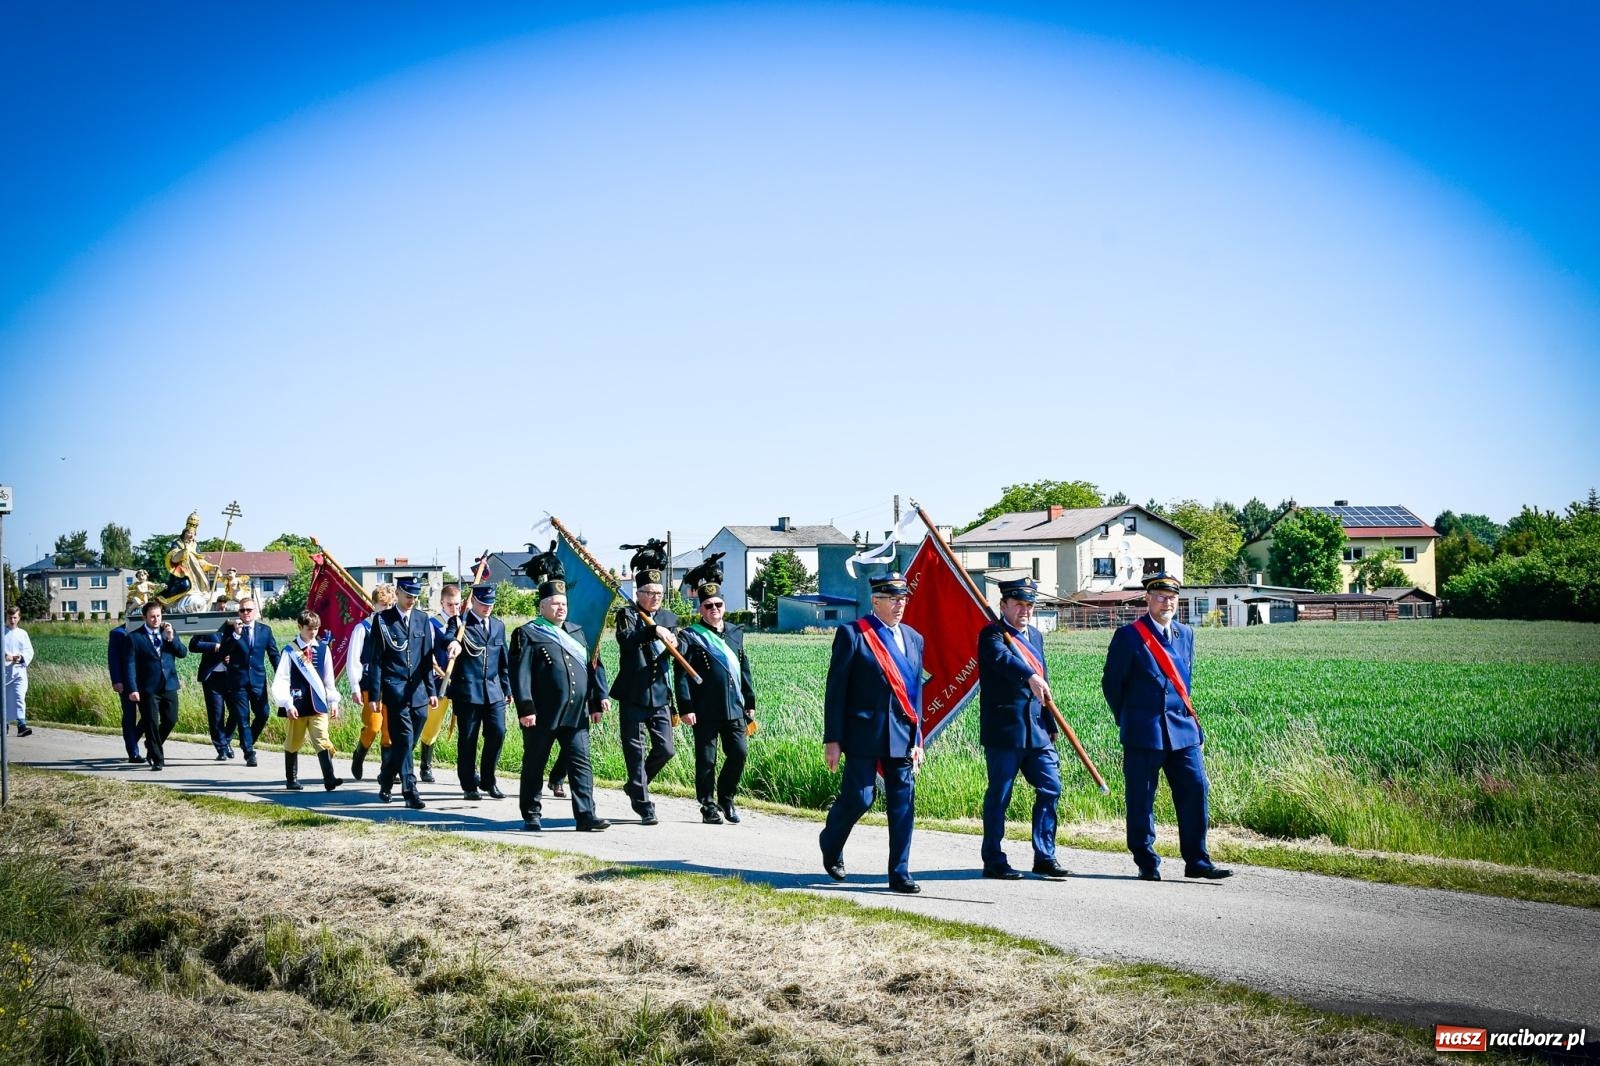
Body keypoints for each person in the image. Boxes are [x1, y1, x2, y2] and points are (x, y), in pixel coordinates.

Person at [1102, 571, 1232, 882]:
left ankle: (1197, 860)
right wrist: (1130, 718)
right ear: (1148, 599)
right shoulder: (1129, 636)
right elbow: (1111, 685)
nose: (1167, 602)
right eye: (1160, 596)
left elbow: (1185, 681)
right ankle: (1147, 861)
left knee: (1196, 790)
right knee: (1141, 798)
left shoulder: (1186, 634)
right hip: (1143, 731)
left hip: (1182, 730)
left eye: (1172, 597)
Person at [818, 572, 925, 894]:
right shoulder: (853, 634)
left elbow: (915, 694)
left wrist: (918, 739)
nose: (899, 604)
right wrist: (833, 739)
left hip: (902, 736)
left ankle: (899, 873)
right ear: (875, 600)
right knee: (861, 798)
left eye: (903, 598)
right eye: (892, 598)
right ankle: (831, 841)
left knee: (903, 803)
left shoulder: (914, 638)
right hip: (863, 733)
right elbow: (836, 691)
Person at [977, 578, 1070, 881]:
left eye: (1029, 605)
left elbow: (1044, 684)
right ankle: (993, 858)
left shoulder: (1036, 637)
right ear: (1003, 605)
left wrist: (1051, 722)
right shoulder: (991, 634)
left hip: (1038, 731)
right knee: (1000, 796)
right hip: (1005, 731)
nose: (1024, 610)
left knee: (1051, 786)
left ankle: (1045, 855)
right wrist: (1029, 675)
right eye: (1018, 604)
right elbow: (1003, 661)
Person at [511, 578, 611, 832]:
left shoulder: (577, 631)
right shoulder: (528, 633)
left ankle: (586, 815)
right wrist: (525, 708)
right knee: (535, 763)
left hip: (576, 714)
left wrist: (597, 699)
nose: (561, 608)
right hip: (543, 714)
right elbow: (520, 674)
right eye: (555, 604)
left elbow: (593, 667)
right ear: (542, 606)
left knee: (581, 764)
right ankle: (532, 813)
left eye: (564, 604)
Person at [672, 577, 755, 824]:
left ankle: (726, 798)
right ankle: (708, 805)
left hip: (734, 708)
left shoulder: (734, 632)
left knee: (739, 753)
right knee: (707, 760)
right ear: (701, 609)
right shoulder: (690, 636)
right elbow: (681, 673)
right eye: (708, 606)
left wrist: (750, 701)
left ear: (724, 606)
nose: (714, 609)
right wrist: (685, 707)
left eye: (718, 604)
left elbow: (744, 668)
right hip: (704, 709)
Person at [361, 576, 437, 809]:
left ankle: (386, 776)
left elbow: (426, 658)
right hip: (395, 690)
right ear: (398, 594)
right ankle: (409, 789)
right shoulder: (383, 620)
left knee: (408, 740)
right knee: (403, 737)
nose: (412, 600)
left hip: (419, 691)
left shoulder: (423, 619)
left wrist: (431, 689)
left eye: (415, 596)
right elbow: (375, 661)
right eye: (408, 595)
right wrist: (375, 695)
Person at [612, 567, 680, 826]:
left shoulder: (668, 616)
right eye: (650, 592)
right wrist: (653, 631)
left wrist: (675, 640)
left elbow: (679, 647)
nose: (655, 597)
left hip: (660, 693)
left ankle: (635, 785)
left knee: (666, 749)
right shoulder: (628, 615)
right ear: (638, 593)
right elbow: (626, 640)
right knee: (635, 751)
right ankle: (643, 804)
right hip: (633, 693)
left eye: (659, 593)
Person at [444, 584, 510, 801]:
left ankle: (488, 780)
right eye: (483, 603)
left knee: (498, 733)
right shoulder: (460, 622)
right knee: (468, 739)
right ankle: (469, 784)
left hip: (493, 692)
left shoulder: (498, 626)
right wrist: (453, 642)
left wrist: (507, 688)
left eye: (491, 604)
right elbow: (448, 637)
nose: (487, 608)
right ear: (473, 601)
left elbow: (503, 661)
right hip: (468, 692)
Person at [271, 609, 344, 792]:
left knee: (322, 739)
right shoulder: (290, 650)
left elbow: (328, 678)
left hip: (318, 704)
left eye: (316, 628)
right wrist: (287, 703)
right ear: (300, 627)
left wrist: (333, 701)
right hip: (297, 703)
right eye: (309, 628)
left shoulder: (323, 649)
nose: (313, 632)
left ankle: (329, 778)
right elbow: (282, 678)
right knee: (294, 741)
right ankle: (292, 779)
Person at [124, 600, 187, 770]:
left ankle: (151, 745)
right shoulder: (134, 638)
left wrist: (171, 639)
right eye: (152, 617)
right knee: (151, 722)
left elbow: (182, 653)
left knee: (171, 719)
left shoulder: (169, 632)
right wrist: (133, 689)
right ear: (144, 617)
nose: (156, 620)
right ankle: (157, 759)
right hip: (148, 688)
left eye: (158, 616)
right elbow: (129, 666)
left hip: (169, 684)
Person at [218, 598, 280, 767]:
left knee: (263, 714)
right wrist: (236, 635)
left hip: (258, 680)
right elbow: (222, 651)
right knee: (242, 717)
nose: (246, 613)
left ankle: (247, 741)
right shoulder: (231, 629)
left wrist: (281, 674)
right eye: (242, 610)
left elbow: (273, 654)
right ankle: (249, 753)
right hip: (238, 681)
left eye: (249, 610)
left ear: (255, 612)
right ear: (238, 612)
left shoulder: (265, 630)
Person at [346, 583, 395, 780]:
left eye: (390, 605)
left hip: (391, 685)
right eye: (382, 605)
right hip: (369, 684)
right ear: (374, 604)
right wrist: (355, 687)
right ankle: (359, 754)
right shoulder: (363, 628)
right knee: (373, 726)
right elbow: (353, 660)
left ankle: (387, 770)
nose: (386, 609)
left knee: (389, 730)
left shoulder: (395, 628)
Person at [419, 583, 463, 784]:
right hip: (439, 682)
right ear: (442, 603)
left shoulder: (464, 623)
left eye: (457, 604)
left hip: (461, 683)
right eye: (450, 605)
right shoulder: (432, 624)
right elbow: (427, 653)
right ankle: (425, 765)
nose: (454, 608)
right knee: (431, 725)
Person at [189, 626, 236, 760]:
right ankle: (221, 748)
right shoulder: (208, 625)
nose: (222, 607)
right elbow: (193, 645)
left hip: (231, 676)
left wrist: (231, 656)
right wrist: (214, 646)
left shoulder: (236, 625)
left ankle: (225, 741)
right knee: (216, 714)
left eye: (224, 605)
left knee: (237, 711)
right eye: (219, 604)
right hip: (212, 677)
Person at [106, 615, 144, 762]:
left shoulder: (146, 632)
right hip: (126, 682)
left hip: (145, 682)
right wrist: (116, 680)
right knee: (130, 716)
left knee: (148, 715)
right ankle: (133, 752)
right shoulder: (117, 633)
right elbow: (113, 658)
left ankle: (132, 739)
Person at [3, 607, 34, 737]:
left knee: (19, 697)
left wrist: (18, 658)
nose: (12, 620)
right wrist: (5, 657)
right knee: (4, 701)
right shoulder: (2, 632)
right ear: (7, 618)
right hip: (4, 673)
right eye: (10, 617)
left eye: (15, 617)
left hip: (19, 672)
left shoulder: (23, 633)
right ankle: (4, 725)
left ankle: (21, 725)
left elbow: (29, 651)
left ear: (19, 618)